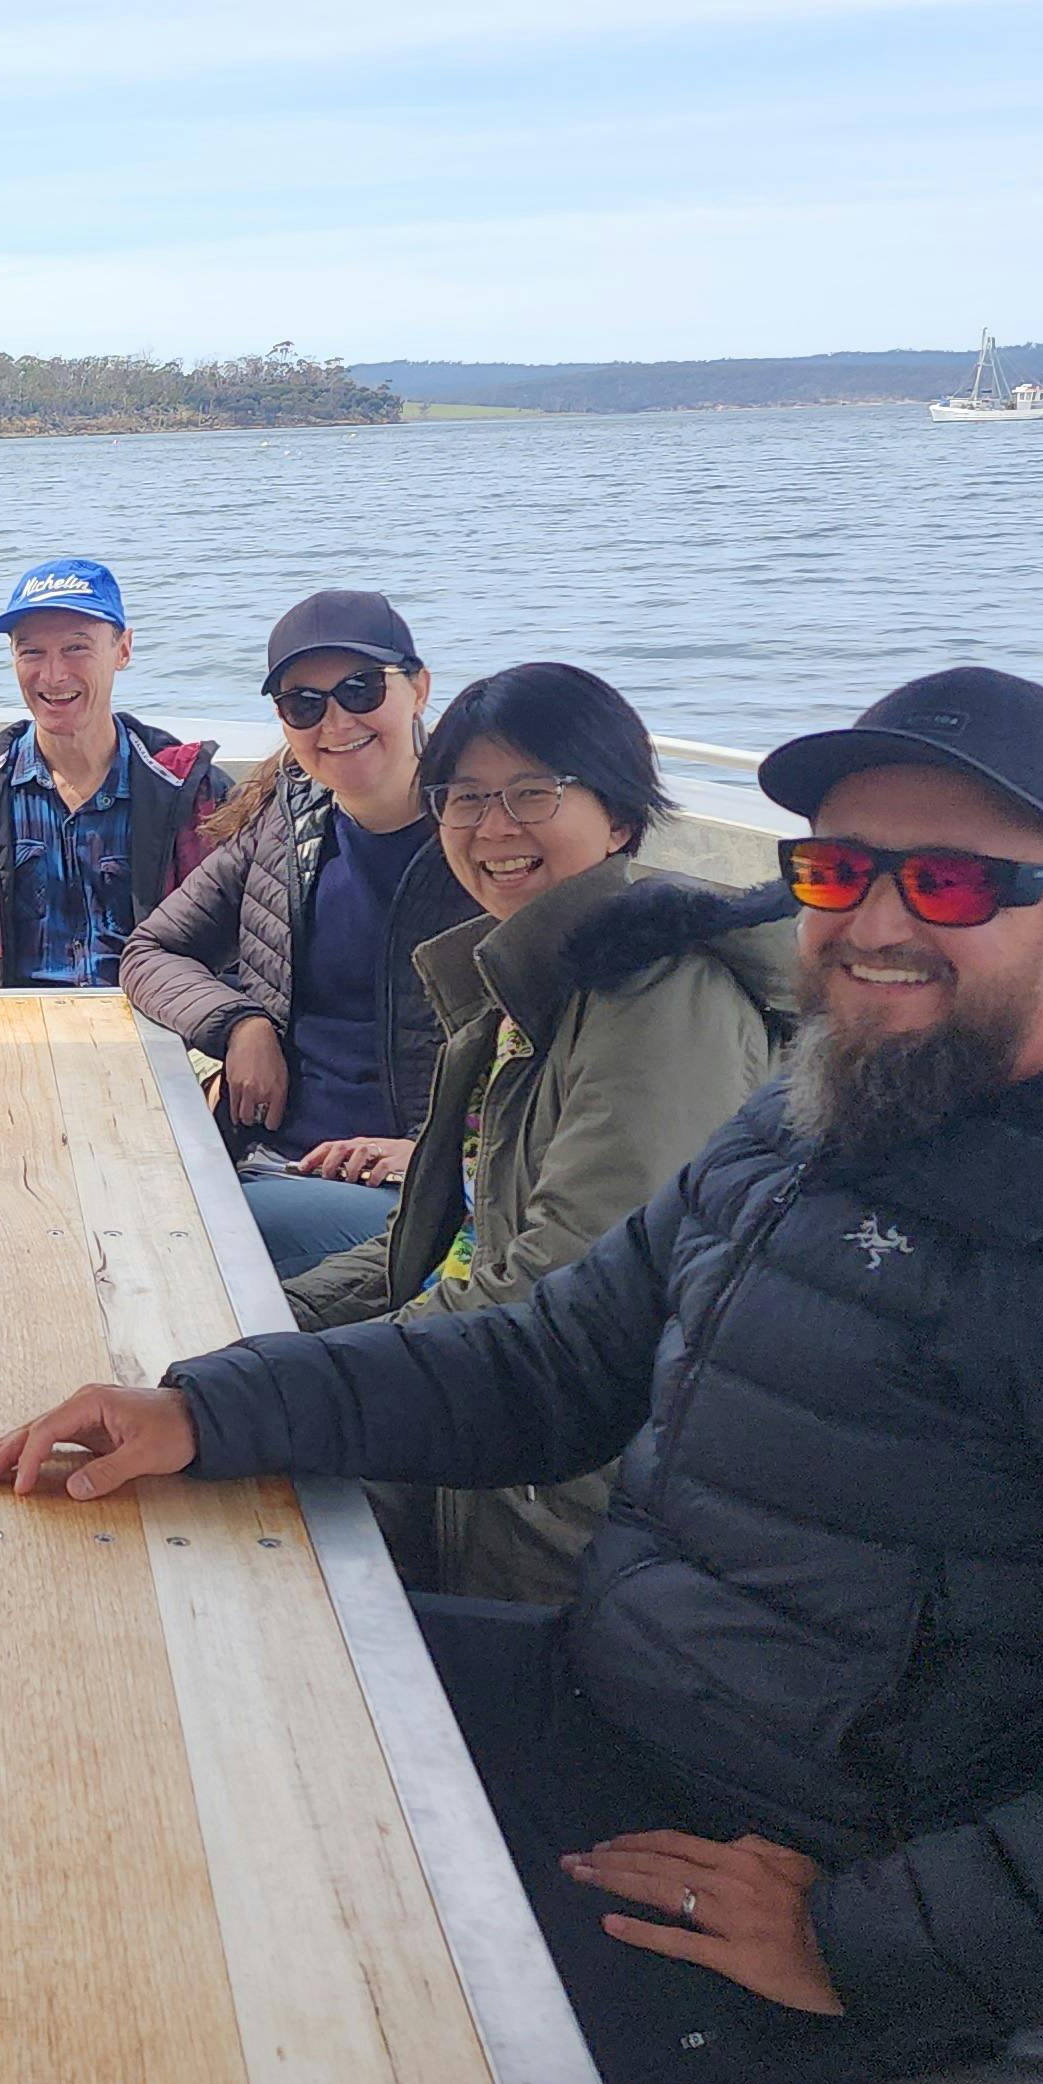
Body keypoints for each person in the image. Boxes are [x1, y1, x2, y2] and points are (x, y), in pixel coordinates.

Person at [0, 667, 1043, 2084]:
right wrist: (204, 1412)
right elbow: (550, 1365)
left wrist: (870, 1938)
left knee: (232, 2072)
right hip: (608, 1707)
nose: (877, 922)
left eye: (948, 882)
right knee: (114, 1696)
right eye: (836, 870)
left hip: (802, 1870)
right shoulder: (808, 1123)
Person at [286, 663, 791, 1605]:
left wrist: (288, 1385)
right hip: (484, 1441)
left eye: (533, 793)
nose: (494, 828)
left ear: (622, 819)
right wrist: (271, 1324)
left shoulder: (657, 997)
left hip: (564, 1523)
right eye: (464, 798)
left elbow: (560, 1297)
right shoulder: (531, 985)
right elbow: (458, 1249)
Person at [121, 587, 475, 1276]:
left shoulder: (483, 842)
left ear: (419, 689)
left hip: (414, 1191)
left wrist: (440, 1159)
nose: (336, 721)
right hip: (270, 1162)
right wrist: (239, 1024)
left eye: (361, 689)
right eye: (303, 704)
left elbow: (556, 1064)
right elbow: (150, 950)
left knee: (163, 1237)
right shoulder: (287, 825)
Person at [0, 555, 227, 989]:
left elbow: (241, 954)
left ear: (123, 650)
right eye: (32, 652)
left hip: (167, 1032)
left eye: (76, 647)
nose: (54, 674)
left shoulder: (197, 795)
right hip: (4, 1041)